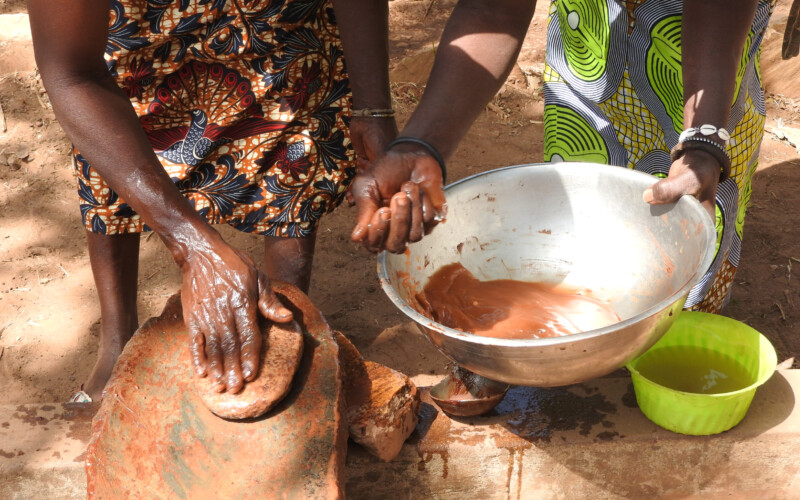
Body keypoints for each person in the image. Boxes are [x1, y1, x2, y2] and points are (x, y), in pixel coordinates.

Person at [27, 0, 395, 401]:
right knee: (114, 142)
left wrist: (374, 109)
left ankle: (282, 326)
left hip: (282, 35)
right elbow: (72, 74)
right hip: (139, 46)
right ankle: (118, 343)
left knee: (293, 136)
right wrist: (193, 246)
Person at [348, 0, 775, 315]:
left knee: (687, 250)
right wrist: (420, 146)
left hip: (710, 41)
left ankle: (677, 335)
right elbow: (494, 9)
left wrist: (703, 140)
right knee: (581, 227)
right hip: (587, 27)